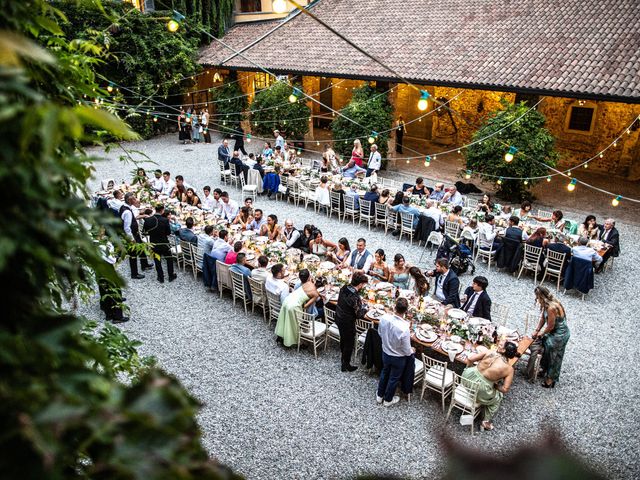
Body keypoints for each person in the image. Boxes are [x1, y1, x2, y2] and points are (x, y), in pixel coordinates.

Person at [462, 342, 519, 431]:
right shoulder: (509, 369)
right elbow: (505, 389)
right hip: (480, 389)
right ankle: (485, 421)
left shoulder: (489, 352)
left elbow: (470, 359)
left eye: (501, 345)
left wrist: (468, 369)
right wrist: (495, 386)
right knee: (498, 397)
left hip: (466, 378)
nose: (498, 345)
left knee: (477, 379)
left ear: (504, 350)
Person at [376, 297, 414, 406]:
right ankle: (388, 400)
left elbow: (380, 333)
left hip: (385, 352)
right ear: (406, 311)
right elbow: (407, 350)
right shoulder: (404, 328)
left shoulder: (384, 318)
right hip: (398, 357)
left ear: (394, 307)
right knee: (393, 378)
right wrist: (412, 351)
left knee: (384, 372)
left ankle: (379, 395)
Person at [533, 286, 570, 388]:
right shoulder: (547, 305)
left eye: (537, 298)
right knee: (546, 348)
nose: (536, 300)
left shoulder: (551, 308)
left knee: (554, 356)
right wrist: (537, 330)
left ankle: (550, 379)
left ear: (542, 297)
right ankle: (544, 369)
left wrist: (541, 333)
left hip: (560, 334)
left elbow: (550, 326)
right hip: (554, 331)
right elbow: (543, 318)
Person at [274, 269, 319, 347]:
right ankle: (297, 342)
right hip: (294, 306)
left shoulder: (303, 283)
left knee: (284, 319)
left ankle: (281, 336)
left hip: (287, 300)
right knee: (294, 324)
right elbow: (306, 306)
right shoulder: (314, 290)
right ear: (309, 277)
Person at [335, 272, 369, 372]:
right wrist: (366, 308)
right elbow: (359, 315)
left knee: (343, 338)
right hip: (347, 322)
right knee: (349, 343)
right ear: (360, 284)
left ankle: (343, 357)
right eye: (363, 284)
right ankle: (345, 365)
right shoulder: (355, 297)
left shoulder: (344, 288)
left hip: (338, 317)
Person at [120, 192, 151, 279]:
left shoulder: (126, 207)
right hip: (132, 235)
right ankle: (134, 273)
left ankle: (144, 264)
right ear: (129, 200)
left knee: (142, 248)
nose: (135, 200)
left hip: (135, 233)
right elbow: (127, 227)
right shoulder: (127, 212)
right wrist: (131, 238)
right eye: (133, 199)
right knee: (133, 254)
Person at [142, 204, 176, 283]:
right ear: (162, 210)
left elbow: (144, 232)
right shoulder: (165, 220)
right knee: (169, 259)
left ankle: (160, 277)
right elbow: (168, 232)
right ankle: (171, 275)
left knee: (157, 260)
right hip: (164, 243)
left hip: (154, 243)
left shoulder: (148, 220)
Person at [97, 241, 129, 323]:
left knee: (104, 289)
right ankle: (117, 316)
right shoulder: (104, 245)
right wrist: (118, 256)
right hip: (107, 267)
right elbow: (112, 259)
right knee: (116, 290)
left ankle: (108, 312)